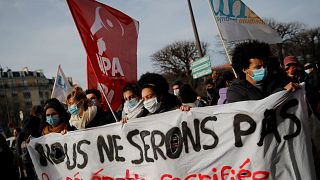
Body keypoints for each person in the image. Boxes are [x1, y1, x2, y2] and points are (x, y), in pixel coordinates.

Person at [227, 40, 300, 103]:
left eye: (265, 65)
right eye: (258, 67)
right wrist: (281, 92)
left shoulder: (279, 81)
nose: (264, 69)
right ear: (245, 69)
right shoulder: (236, 91)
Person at [16, 105, 43, 179]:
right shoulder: (33, 121)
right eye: (40, 114)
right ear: (36, 113)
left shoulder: (28, 121)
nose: (41, 116)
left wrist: (20, 154)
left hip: (28, 154)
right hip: (32, 154)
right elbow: (20, 137)